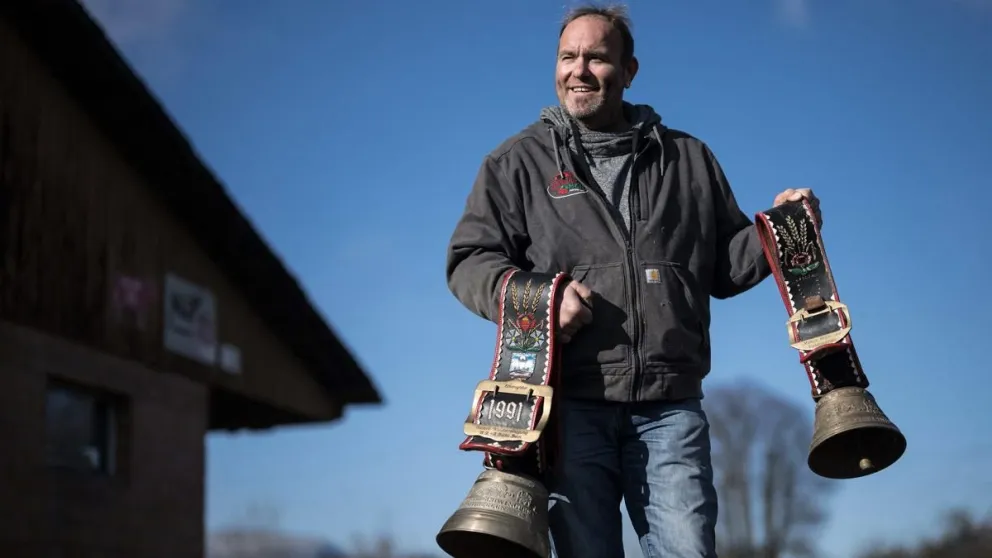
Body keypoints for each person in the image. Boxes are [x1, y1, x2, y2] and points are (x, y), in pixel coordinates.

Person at [445, 4, 821, 557]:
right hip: (568, 409)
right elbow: (470, 260)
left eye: (596, 57)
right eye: (567, 56)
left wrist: (785, 229)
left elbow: (726, 265)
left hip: (670, 408)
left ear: (628, 71)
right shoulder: (514, 164)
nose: (579, 70)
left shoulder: (689, 158)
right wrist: (536, 300)